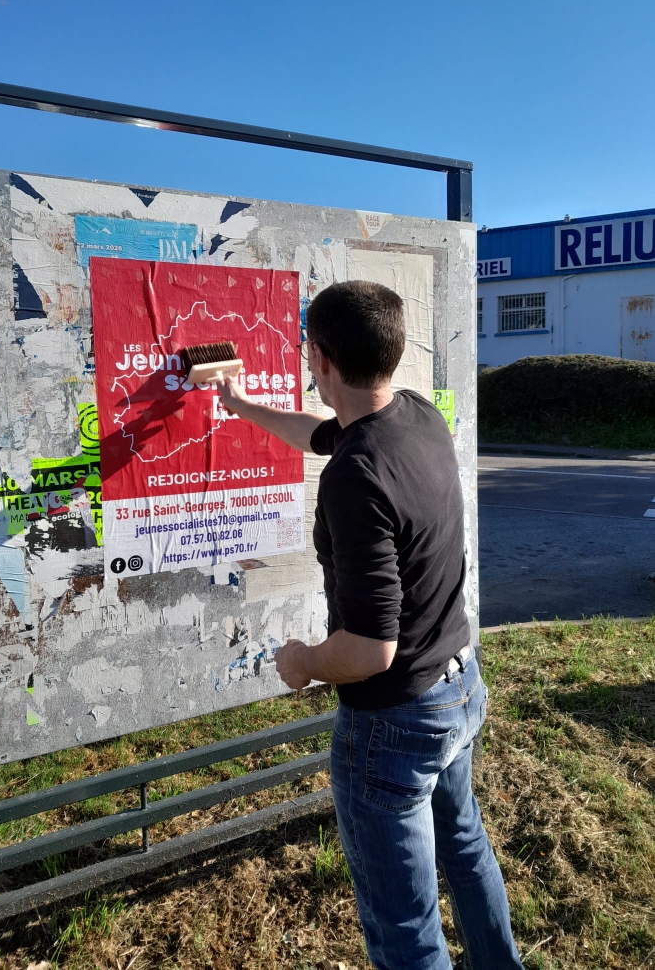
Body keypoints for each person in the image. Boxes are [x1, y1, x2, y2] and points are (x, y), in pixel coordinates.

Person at [214, 280, 523, 970]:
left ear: (319, 358)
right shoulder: (414, 415)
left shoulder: (354, 478)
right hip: (457, 687)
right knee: (465, 848)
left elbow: (370, 649)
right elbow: (324, 434)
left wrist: (303, 661)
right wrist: (241, 406)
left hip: (395, 722)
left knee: (404, 926)